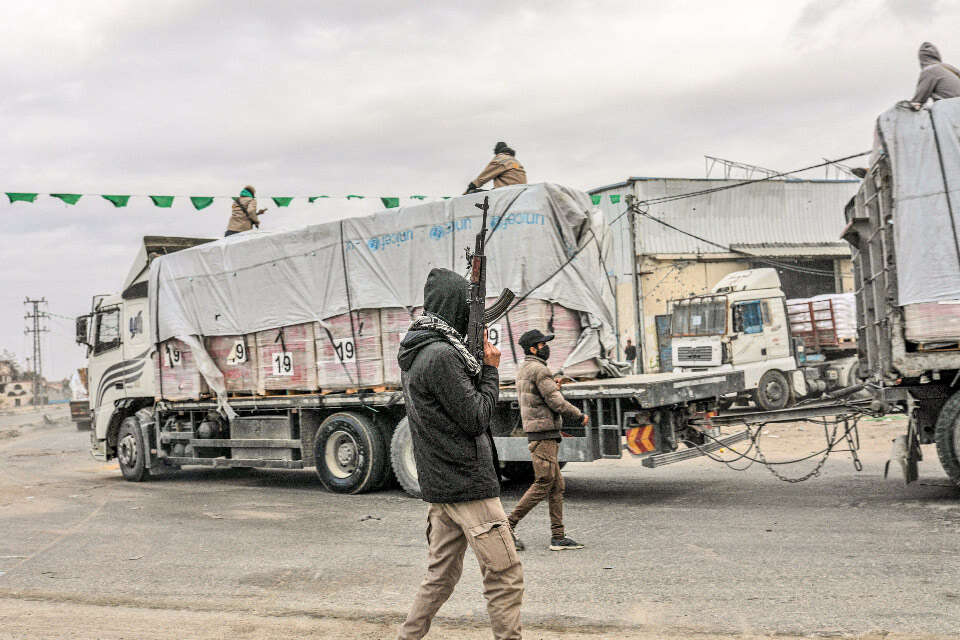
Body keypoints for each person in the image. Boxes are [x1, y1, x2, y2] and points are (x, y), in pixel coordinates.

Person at [396, 268, 523, 640]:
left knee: (440, 577)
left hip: (443, 486)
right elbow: (477, 416)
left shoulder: (419, 351)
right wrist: (491, 370)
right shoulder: (440, 356)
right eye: (466, 305)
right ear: (453, 307)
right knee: (505, 576)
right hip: (468, 486)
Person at [507, 329, 587, 552]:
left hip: (542, 433)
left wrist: (554, 386)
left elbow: (540, 395)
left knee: (556, 485)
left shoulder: (526, 368)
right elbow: (556, 403)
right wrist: (579, 415)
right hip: (543, 435)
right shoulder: (540, 370)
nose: (546, 347)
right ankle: (507, 525)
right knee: (543, 483)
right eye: (542, 344)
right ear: (533, 349)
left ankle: (558, 536)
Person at [906, 42, 960, 109]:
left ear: (922, 58)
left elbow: (918, 100)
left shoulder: (929, 70)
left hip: (953, 110)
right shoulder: (948, 68)